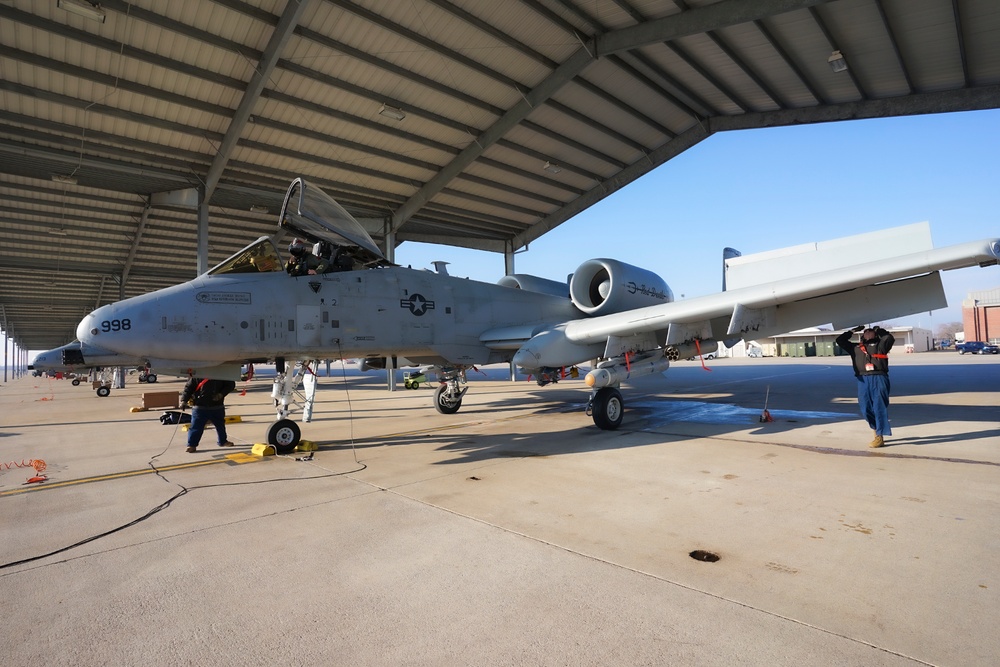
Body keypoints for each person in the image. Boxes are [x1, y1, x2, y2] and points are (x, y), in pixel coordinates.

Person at [836, 325, 895, 448]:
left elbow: (889, 337)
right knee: (865, 408)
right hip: (862, 379)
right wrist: (852, 331)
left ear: (875, 334)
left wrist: (879, 329)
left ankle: (879, 436)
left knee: (879, 406)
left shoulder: (881, 346)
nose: (868, 332)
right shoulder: (855, 348)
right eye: (865, 331)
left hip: (879, 377)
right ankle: (876, 430)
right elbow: (840, 341)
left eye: (871, 331)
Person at [180, 376, 237, 453]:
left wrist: (221, 394)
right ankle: (192, 445)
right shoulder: (197, 374)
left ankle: (223, 441)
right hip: (200, 406)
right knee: (196, 427)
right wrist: (184, 400)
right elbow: (189, 388)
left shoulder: (221, 373)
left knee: (220, 425)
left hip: (217, 406)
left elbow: (230, 385)